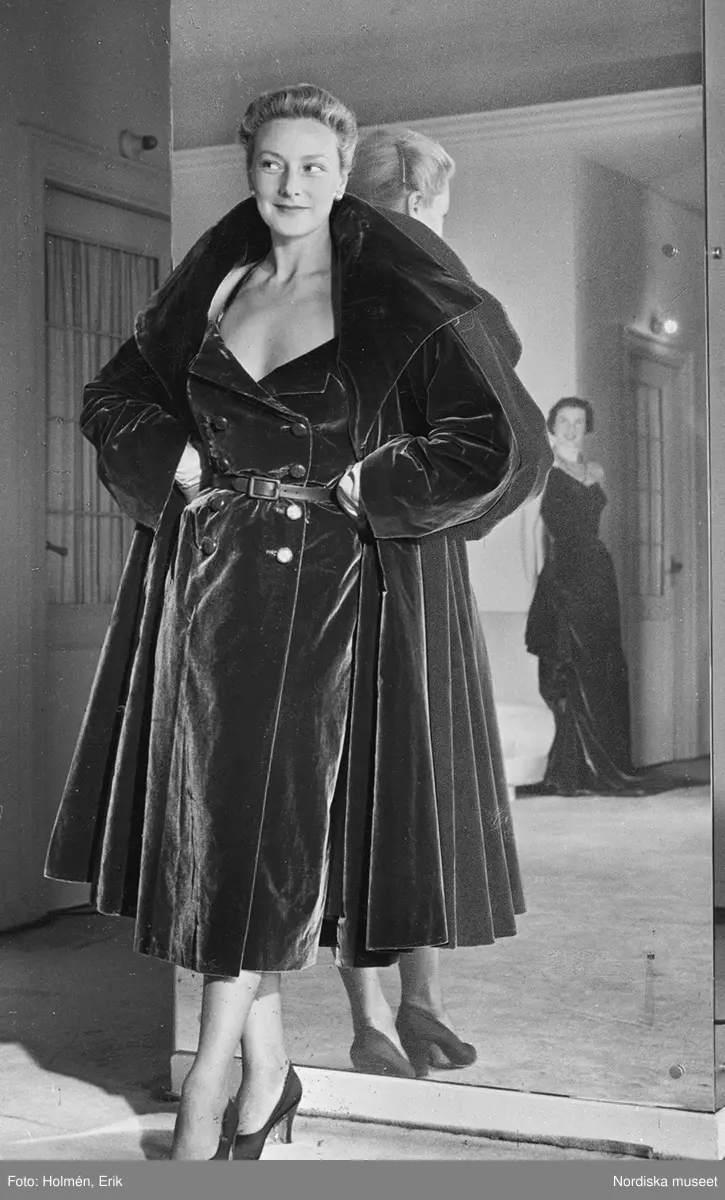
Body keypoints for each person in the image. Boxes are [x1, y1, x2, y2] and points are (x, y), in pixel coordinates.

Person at [45, 84, 552, 1160]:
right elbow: (112, 399)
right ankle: (267, 1077)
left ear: (343, 172)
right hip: (203, 586)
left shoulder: (392, 297)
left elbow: (497, 442)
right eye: (272, 164)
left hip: (326, 592)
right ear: (249, 168)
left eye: (314, 166)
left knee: (259, 838)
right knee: (216, 834)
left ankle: (207, 1090)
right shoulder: (215, 286)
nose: (290, 184)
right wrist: (173, 459)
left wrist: (378, 486)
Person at [333, 125, 511, 1080]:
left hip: (382, 556)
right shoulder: (421, 291)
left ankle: (402, 1011)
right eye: (435, 205)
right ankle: (394, 1013)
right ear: (409, 201)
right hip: (389, 558)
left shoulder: (332, 285)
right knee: (390, 780)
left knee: (386, 781)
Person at [525, 397, 645, 797]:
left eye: (579, 421)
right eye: (565, 420)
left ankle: (602, 767)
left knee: (602, 667)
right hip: (563, 578)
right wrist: (536, 588)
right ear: (552, 426)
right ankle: (572, 772)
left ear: (586, 427)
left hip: (598, 575)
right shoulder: (543, 472)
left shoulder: (597, 471)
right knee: (568, 669)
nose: (572, 428)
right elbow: (531, 534)